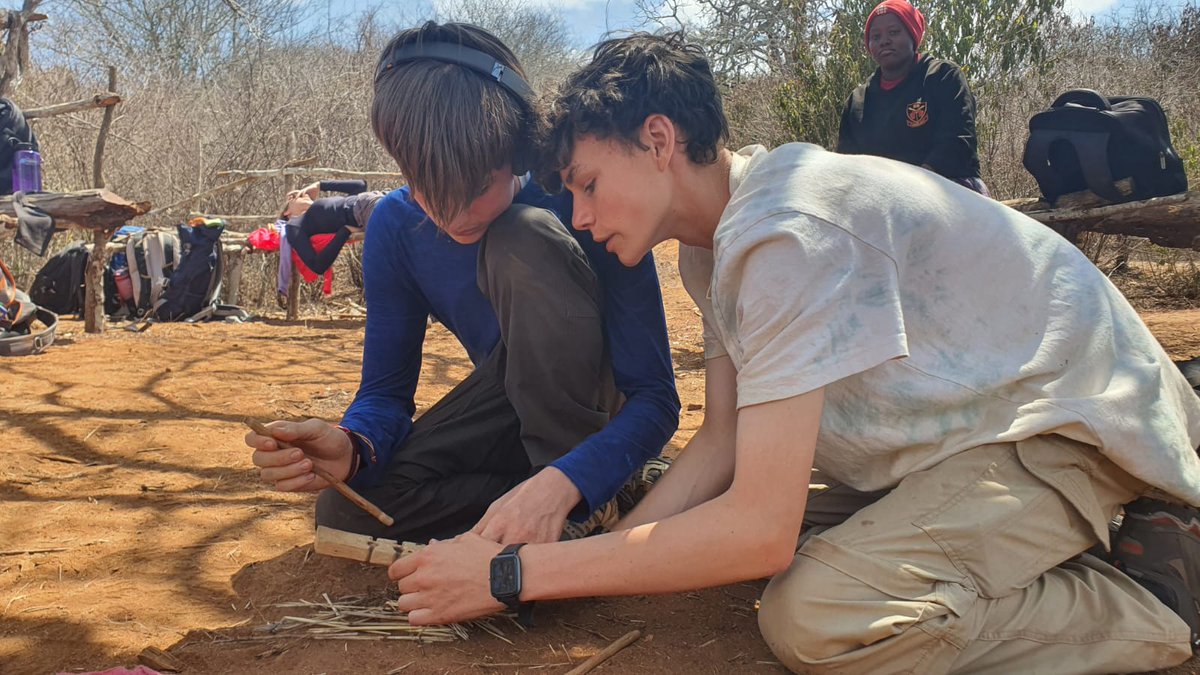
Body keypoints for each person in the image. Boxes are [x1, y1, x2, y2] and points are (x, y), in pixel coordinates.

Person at [388, 32, 1200, 675]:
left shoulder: (787, 229)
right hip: (972, 438)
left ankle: (1159, 602)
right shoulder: (714, 248)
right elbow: (722, 443)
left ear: (659, 139)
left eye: (589, 183)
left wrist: (515, 575)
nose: (577, 213)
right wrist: (588, 552)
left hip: (1067, 429)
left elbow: (759, 530)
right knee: (734, 540)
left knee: (816, 612)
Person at [245, 22, 680, 547]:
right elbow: (385, 392)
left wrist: (576, 476)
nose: (451, 216)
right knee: (347, 513)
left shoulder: (582, 198)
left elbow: (654, 396)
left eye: (475, 187)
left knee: (520, 236)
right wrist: (353, 447)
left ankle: (585, 495)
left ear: (519, 150)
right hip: (508, 404)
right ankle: (573, 500)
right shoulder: (395, 225)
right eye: (427, 188)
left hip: (592, 413)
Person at [836, 0, 989, 196]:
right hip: (879, 198)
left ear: (912, 34)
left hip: (949, 189)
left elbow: (958, 142)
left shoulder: (942, 76)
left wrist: (912, 190)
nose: (884, 41)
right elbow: (847, 164)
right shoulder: (857, 102)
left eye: (893, 32)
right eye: (876, 36)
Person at [280, 179, 385, 275]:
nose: (299, 194)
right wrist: (345, 231)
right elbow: (317, 266)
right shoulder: (294, 225)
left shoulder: (326, 205)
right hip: (370, 208)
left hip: (381, 196)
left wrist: (320, 185)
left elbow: (361, 185)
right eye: (293, 198)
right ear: (287, 212)